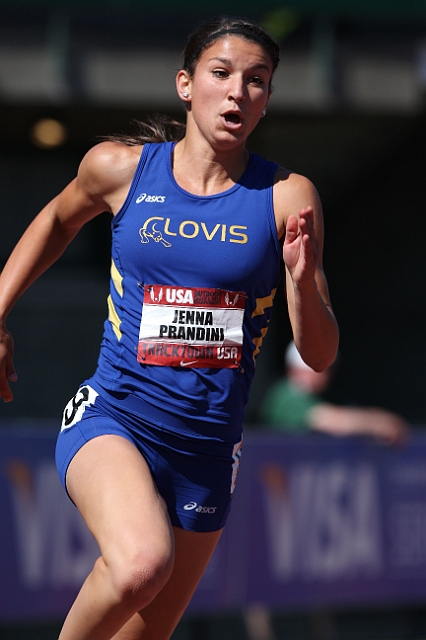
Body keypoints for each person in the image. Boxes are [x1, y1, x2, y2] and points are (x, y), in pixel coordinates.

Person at [0, 15, 338, 640]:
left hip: (207, 453)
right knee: (139, 564)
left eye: (257, 81)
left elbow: (318, 355)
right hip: (115, 418)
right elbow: (55, 220)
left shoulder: (287, 198)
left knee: (143, 632)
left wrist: (301, 275)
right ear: (185, 84)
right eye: (222, 73)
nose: (238, 92)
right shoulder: (121, 169)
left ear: (268, 99)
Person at [258, 340, 408, 445]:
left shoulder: (322, 394)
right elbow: (332, 420)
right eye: (315, 366)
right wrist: (378, 424)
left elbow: (347, 412)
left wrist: (383, 419)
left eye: (327, 367)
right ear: (295, 369)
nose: (324, 373)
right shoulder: (286, 395)